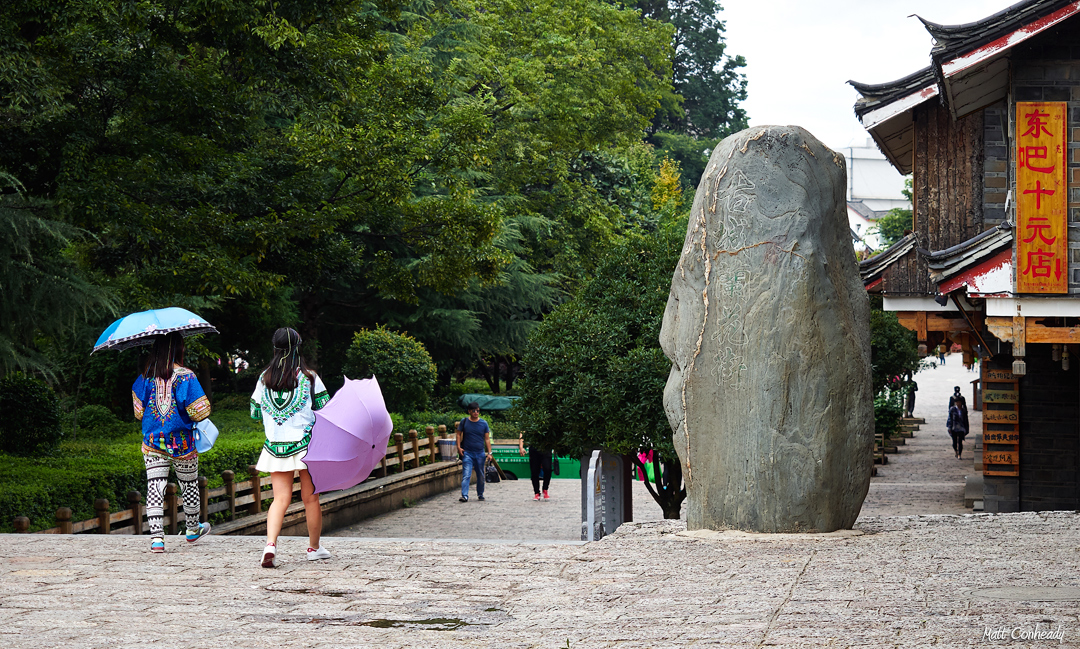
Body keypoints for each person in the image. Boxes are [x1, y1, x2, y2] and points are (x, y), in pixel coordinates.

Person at [250, 327, 332, 568]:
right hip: (308, 446)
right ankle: (314, 548)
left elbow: (255, 412)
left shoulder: (264, 378)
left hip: (276, 446)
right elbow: (325, 409)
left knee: (280, 499)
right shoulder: (310, 378)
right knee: (311, 498)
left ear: (275, 349)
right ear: (298, 348)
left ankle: (270, 545)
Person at [132, 332, 212, 553]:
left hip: (153, 443)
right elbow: (200, 411)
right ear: (179, 349)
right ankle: (193, 530)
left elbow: (138, 412)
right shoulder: (187, 377)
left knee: (155, 487)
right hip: (183, 444)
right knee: (189, 486)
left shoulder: (145, 377)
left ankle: (157, 539)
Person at [456, 402, 491, 502]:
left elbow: (487, 439)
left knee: (480, 475)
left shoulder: (483, 423)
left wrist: (490, 453)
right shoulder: (464, 421)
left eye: (478, 411)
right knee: (466, 474)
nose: (476, 413)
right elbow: (458, 434)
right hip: (467, 452)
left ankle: (480, 494)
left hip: (480, 453)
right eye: (474, 411)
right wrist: (459, 447)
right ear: (469, 411)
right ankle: (465, 495)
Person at [518, 434, 554, 500]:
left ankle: (545, 489)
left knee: (547, 468)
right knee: (534, 471)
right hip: (534, 448)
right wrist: (521, 447)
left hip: (546, 447)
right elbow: (522, 433)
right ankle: (536, 492)